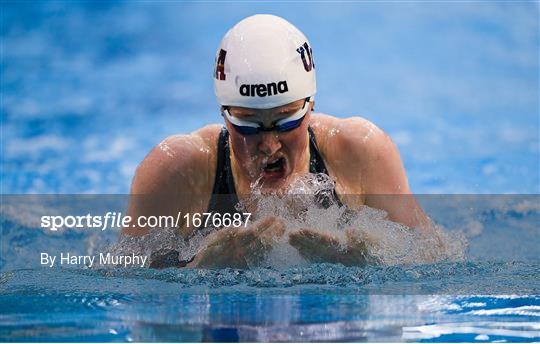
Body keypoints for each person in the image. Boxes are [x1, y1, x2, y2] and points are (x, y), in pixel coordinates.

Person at [123, 14, 433, 268]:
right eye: (248, 125)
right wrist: (200, 271)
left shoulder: (361, 151)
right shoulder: (176, 172)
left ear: (311, 104)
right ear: (224, 113)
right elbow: (123, 284)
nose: (269, 144)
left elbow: (434, 258)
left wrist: (371, 263)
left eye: (286, 121)